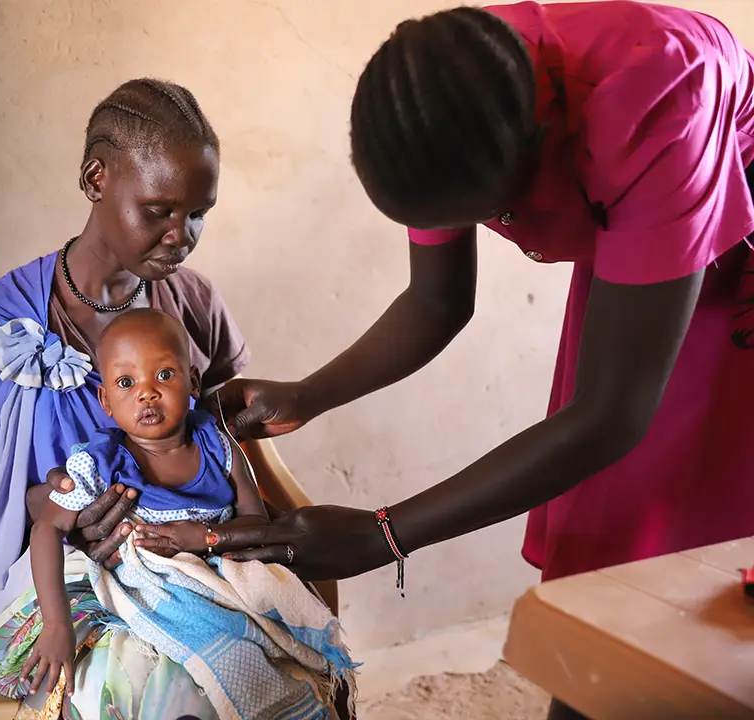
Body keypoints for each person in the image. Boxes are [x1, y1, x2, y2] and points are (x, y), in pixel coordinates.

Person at [205, 3, 754, 718]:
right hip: (643, 251)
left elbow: (613, 415)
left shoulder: (656, 103)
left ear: (544, 144)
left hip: (730, 264)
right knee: (608, 573)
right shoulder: (439, 96)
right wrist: (308, 395)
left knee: (682, 571)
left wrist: (385, 534)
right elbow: (437, 301)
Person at [0, 78, 258, 718]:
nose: (181, 235)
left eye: (197, 214)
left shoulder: (195, 305)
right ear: (97, 178)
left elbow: (224, 449)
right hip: (59, 581)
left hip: (187, 562)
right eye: (159, 210)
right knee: (164, 696)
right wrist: (52, 507)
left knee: (266, 664)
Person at [12, 308, 353, 719]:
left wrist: (204, 537)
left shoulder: (218, 445)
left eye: (164, 375)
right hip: (146, 585)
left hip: (221, 573)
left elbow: (256, 522)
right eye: (126, 382)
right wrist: (56, 625)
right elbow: (47, 529)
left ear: (192, 381)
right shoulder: (99, 463)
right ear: (105, 400)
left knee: (296, 620)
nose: (147, 393)